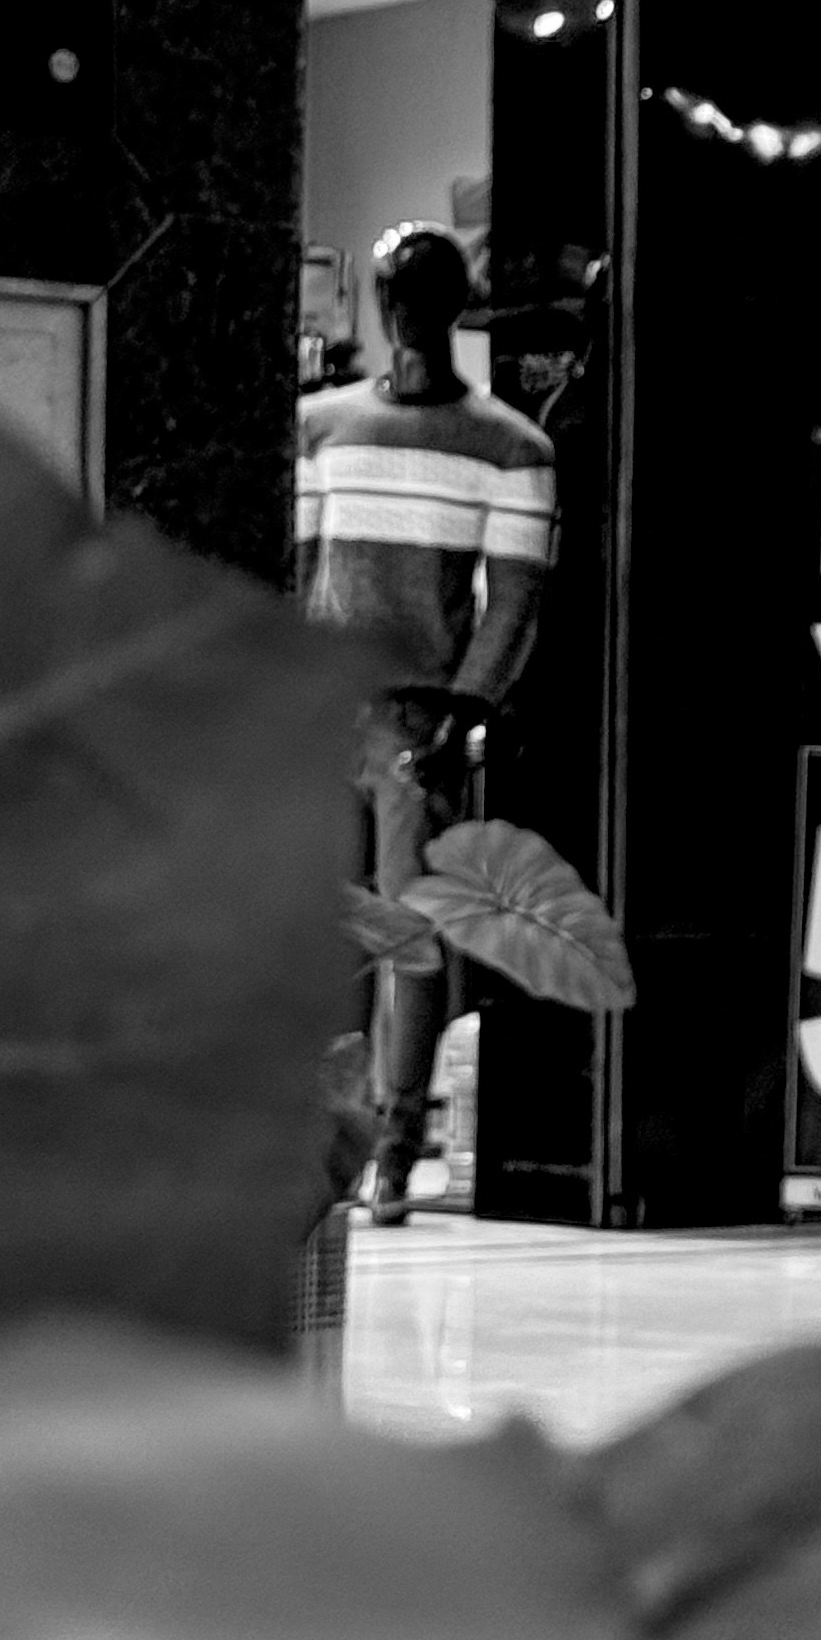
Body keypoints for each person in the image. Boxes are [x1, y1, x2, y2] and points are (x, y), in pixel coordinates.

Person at [296, 223, 557, 1225]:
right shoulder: (320, 427)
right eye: (395, 289)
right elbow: (297, 565)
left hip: (418, 720)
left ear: (455, 306)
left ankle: (394, 1151)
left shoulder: (511, 446)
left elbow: (514, 602)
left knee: (407, 932)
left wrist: (466, 709)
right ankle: (331, 1146)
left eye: (421, 291)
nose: (405, 309)